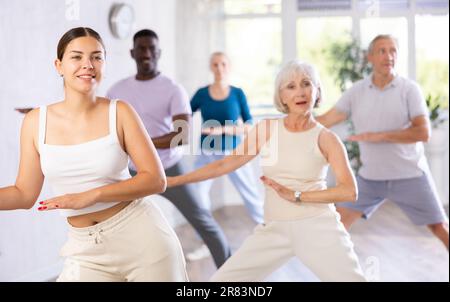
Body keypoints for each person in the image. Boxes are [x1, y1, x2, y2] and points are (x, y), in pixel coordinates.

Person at [0, 27, 188, 282]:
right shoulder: (35, 122)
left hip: (143, 239)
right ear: (59, 65)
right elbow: (24, 194)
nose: (87, 64)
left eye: (96, 57)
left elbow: (156, 180)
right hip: (84, 250)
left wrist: (90, 196)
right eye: (76, 57)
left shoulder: (120, 112)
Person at [167, 60, 367, 281]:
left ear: (317, 91)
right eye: (291, 86)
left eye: (306, 84)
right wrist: (175, 181)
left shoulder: (327, 138)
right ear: (281, 97)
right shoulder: (267, 129)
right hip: (275, 229)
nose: (300, 92)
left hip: (318, 226)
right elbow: (224, 164)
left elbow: (349, 191)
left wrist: (298, 196)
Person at [106, 29, 231, 267]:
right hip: (131, 171)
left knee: (203, 221)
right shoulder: (117, 91)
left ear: (159, 52)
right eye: (141, 48)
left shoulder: (172, 89)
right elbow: (96, 120)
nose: (146, 53)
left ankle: (232, 277)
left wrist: (140, 143)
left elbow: (182, 136)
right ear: (132, 53)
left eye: (151, 48)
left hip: (169, 168)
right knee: (113, 226)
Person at [317, 34, 449, 251]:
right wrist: (292, 124)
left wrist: (379, 136)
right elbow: (326, 120)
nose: (388, 56)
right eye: (382, 51)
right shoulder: (357, 91)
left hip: (410, 175)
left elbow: (423, 132)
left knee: (440, 228)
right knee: (338, 223)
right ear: (370, 57)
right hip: (371, 178)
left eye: (393, 50)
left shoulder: (409, 89)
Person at [191, 52, 264, 222]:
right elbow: (184, 114)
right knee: (198, 193)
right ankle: (207, 229)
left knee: (250, 193)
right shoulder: (202, 93)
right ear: (211, 67)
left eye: (223, 64)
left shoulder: (237, 93)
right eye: (215, 64)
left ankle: (265, 228)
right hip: (207, 152)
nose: (219, 68)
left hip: (233, 152)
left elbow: (249, 125)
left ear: (229, 67)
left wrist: (221, 130)